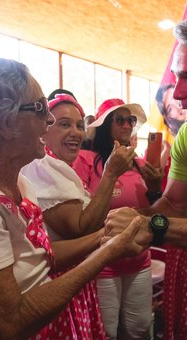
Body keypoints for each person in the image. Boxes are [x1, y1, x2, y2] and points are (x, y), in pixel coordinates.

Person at [0, 57, 145, 339]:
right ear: (3, 122)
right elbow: (6, 325)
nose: (48, 120)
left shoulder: (17, 179)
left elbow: (39, 258)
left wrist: (106, 237)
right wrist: (108, 252)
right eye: (40, 109)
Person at [104, 17, 187, 340]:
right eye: (176, 77)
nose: (178, 95)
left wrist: (149, 226)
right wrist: (125, 219)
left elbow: (164, 220)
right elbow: (173, 203)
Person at [22, 91, 138, 338]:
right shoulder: (44, 165)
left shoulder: (58, 165)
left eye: (78, 125)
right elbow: (79, 227)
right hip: (58, 279)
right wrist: (110, 175)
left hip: (75, 274)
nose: (75, 132)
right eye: (63, 124)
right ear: (43, 129)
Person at [73, 98, 162, 339]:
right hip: (102, 262)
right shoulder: (85, 160)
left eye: (130, 120)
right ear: (105, 126)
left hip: (139, 258)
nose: (126, 125)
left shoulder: (140, 164)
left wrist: (155, 188)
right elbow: (80, 217)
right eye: (119, 120)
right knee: (106, 332)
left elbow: (154, 212)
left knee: (140, 328)